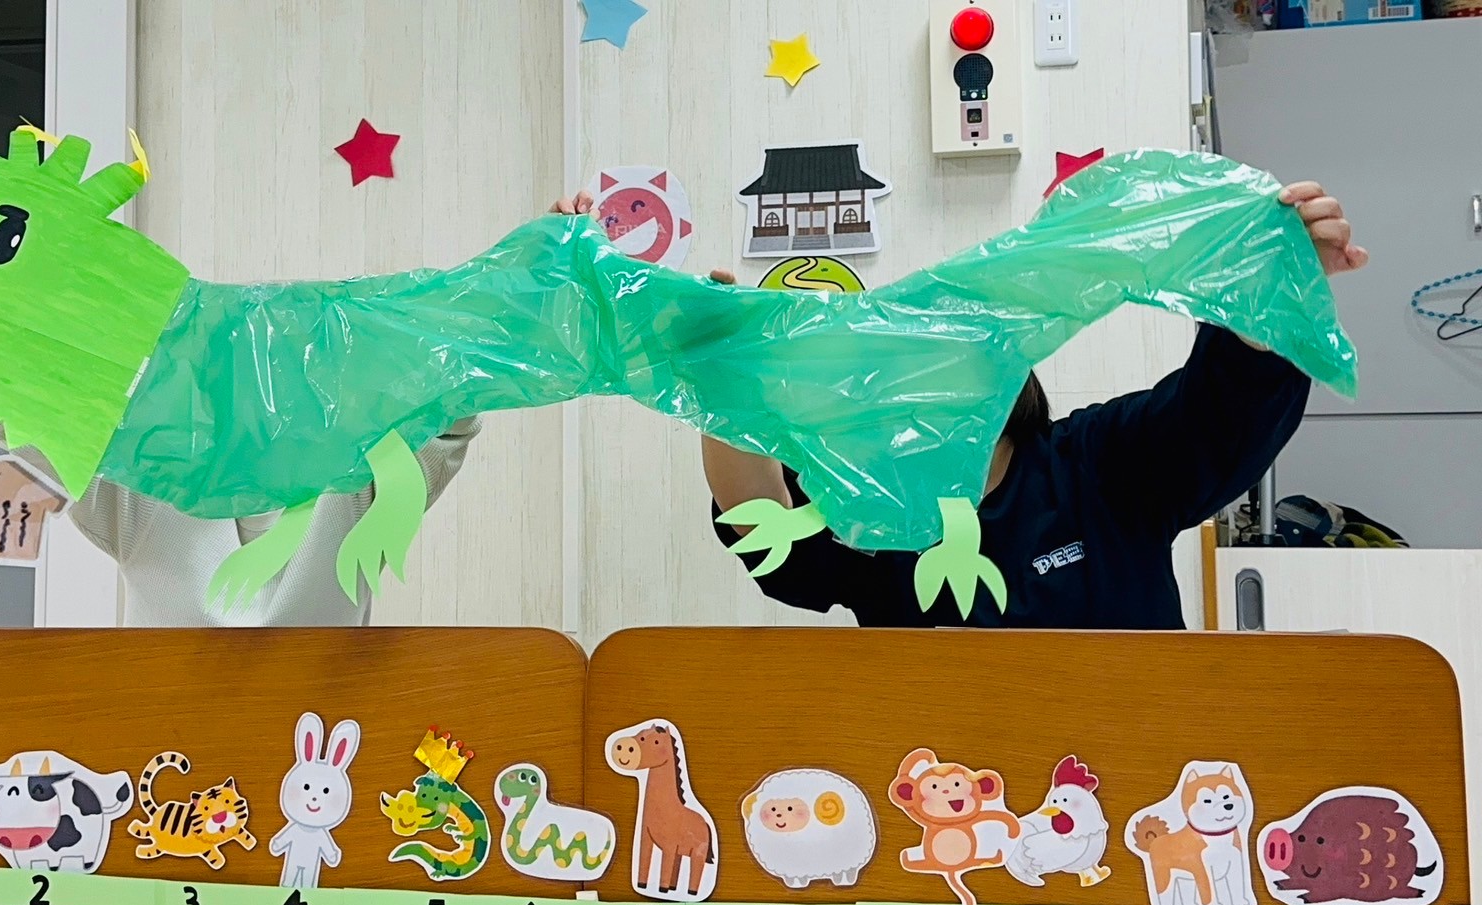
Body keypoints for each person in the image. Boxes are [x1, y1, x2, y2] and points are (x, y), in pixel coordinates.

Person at [554, 181, 1366, 629]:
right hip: (940, 809)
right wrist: (718, 373)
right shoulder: (868, 500)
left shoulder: (1099, 464)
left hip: (1132, 795)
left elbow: (1220, 417)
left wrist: (1265, 299)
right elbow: (763, 528)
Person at [0, 163, 480, 626]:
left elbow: (454, 401)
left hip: (317, 730)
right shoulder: (139, 483)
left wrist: (527, 278)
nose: (262, 390)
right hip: (167, 730)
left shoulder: (356, 482)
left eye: (284, 368)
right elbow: (21, 405)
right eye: (236, 367)